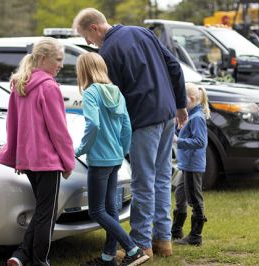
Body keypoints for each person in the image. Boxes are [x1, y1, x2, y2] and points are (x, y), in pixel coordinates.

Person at [73, 8, 188, 257]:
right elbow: (174, 66)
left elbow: (114, 100)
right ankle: (163, 241)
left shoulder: (108, 52)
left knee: (143, 182)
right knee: (161, 178)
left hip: (143, 120)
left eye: (86, 37)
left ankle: (141, 242)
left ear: (94, 28)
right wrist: (180, 105)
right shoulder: (142, 32)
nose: (88, 43)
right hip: (167, 113)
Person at [0, 37, 75, 266]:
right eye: (58, 59)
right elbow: (58, 130)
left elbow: (13, 126)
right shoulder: (49, 87)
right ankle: (41, 261)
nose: (61, 64)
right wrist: (68, 162)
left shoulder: (20, 84)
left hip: (29, 161)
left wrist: (17, 157)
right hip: (48, 162)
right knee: (46, 215)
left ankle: (20, 256)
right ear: (42, 58)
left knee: (42, 210)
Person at [75, 52, 149, 266]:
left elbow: (93, 125)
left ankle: (133, 249)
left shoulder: (90, 93)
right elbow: (127, 127)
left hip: (99, 160)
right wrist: (121, 151)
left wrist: (79, 150)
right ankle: (108, 258)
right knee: (110, 209)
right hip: (116, 158)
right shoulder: (116, 91)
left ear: (84, 71)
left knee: (96, 211)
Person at [172, 82, 209, 246]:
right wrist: (178, 127)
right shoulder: (190, 116)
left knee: (194, 199)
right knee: (180, 196)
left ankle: (195, 236)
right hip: (185, 164)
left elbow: (201, 142)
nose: (179, 102)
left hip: (193, 165)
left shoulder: (198, 117)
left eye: (182, 99)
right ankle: (176, 231)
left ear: (192, 99)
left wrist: (178, 141)